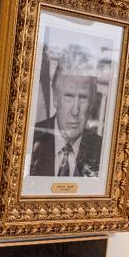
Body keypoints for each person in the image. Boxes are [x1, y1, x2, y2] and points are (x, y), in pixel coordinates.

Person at [29, 49, 102, 178]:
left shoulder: (102, 151)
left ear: (92, 103)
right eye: (69, 96)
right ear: (55, 97)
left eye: (83, 97)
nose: (75, 111)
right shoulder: (29, 140)